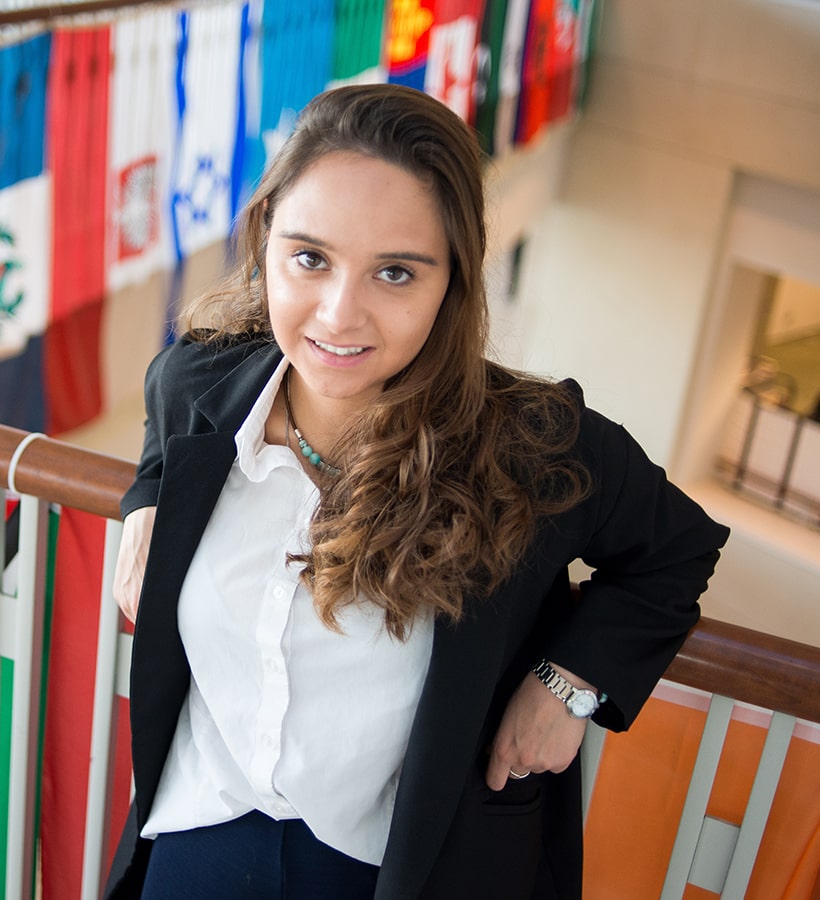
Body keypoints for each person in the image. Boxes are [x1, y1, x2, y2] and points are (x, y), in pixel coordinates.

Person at [104, 83, 729, 900]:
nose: (339, 312)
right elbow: (164, 402)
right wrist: (147, 494)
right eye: (309, 257)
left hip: (395, 867)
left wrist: (568, 685)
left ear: (453, 284)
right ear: (264, 244)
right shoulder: (202, 381)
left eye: (395, 272)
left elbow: (677, 550)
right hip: (197, 831)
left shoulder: (532, 445)